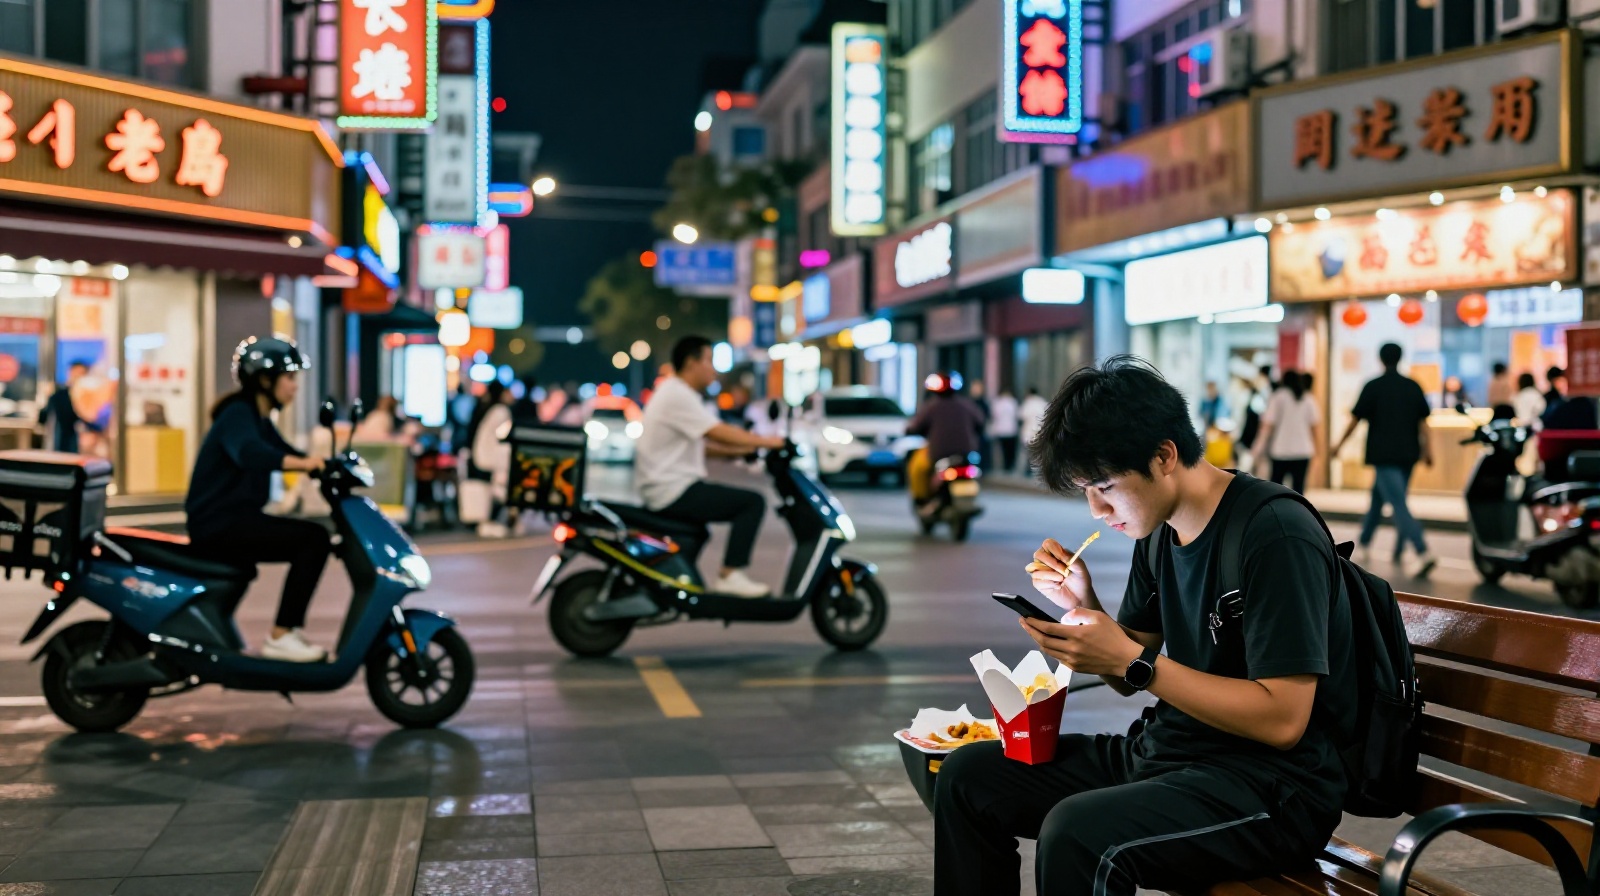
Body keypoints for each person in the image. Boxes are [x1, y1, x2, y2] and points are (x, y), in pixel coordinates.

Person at [934, 356, 1354, 896]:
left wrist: (1133, 662)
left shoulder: (1274, 533)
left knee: (1078, 833)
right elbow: (1129, 668)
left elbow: (1282, 719)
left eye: (1104, 486)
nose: (1095, 510)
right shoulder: (1156, 530)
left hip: (1270, 787)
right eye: (1086, 490)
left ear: (1164, 456)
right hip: (1168, 756)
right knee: (968, 777)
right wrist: (1084, 608)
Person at [185, 337, 330, 663]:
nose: (295, 386)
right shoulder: (239, 414)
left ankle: (286, 633)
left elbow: (285, 453)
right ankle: (282, 635)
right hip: (219, 525)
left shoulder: (258, 419)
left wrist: (327, 465)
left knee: (313, 538)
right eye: (289, 377)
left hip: (233, 521)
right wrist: (307, 464)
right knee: (313, 540)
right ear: (265, 380)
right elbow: (250, 454)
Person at [636, 336, 787, 598]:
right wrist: (769, 441)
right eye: (709, 361)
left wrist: (743, 451)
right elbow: (716, 431)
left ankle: (680, 582)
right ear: (691, 363)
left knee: (703, 528)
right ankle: (731, 574)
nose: (713, 369)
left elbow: (700, 446)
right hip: (672, 489)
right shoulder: (678, 395)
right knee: (751, 503)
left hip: (667, 486)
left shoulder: (677, 393)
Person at [1333, 343, 1436, 577]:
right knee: (1380, 500)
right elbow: (1424, 423)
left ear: (1381, 359)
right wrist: (1429, 451)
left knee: (1398, 503)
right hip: (1409, 454)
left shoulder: (1373, 386)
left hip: (1384, 456)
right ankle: (1373, 545)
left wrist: (1338, 445)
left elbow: (1355, 420)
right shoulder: (1412, 386)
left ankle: (1423, 551)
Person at [905, 374, 986, 505]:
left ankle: (921, 500)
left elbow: (915, 427)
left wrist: (910, 431)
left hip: (938, 454)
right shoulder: (967, 405)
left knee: (917, 468)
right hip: (967, 454)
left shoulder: (930, 407)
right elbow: (981, 424)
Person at [1254, 371, 1321, 494]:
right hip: (1303, 451)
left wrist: (1257, 448)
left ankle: (1278, 512)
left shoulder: (1278, 397)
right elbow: (1315, 428)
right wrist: (1318, 452)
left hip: (1280, 451)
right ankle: (1299, 512)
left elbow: (1268, 425)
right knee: (1299, 490)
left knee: (1276, 489)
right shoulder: (1308, 398)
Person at [464, 382, 515, 537]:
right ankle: (494, 521)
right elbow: (503, 436)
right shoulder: (501, 411)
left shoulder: (483, 407)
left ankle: (485, 520)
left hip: (479, 454)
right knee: (500, 488)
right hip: (492, 457)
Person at [39, 361, 88, 453]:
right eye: (76, 373)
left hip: (81, 445)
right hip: (60, 443)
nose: (78, 377)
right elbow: (43, 418)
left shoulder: (88, 397)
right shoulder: (59, 395)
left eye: (82, 374)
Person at [988, 388, 1020, 474]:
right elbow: (1017, 415)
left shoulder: (997, 403)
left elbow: (993, 415)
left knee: (1003, 449)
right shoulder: (1013, 402)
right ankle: (1010, 465)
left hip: (1000, 429)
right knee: (1011, 449)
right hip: (1011, 429)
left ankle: (1005, 466)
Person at [1018, 387, 1048, 477]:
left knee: (1028, 452)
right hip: (1040, 431)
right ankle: (1038, 470)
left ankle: (1028, 470)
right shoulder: (1043, 402)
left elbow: (1021, 416)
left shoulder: (1027, 403)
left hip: (1028, 432)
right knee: (1038, 452)